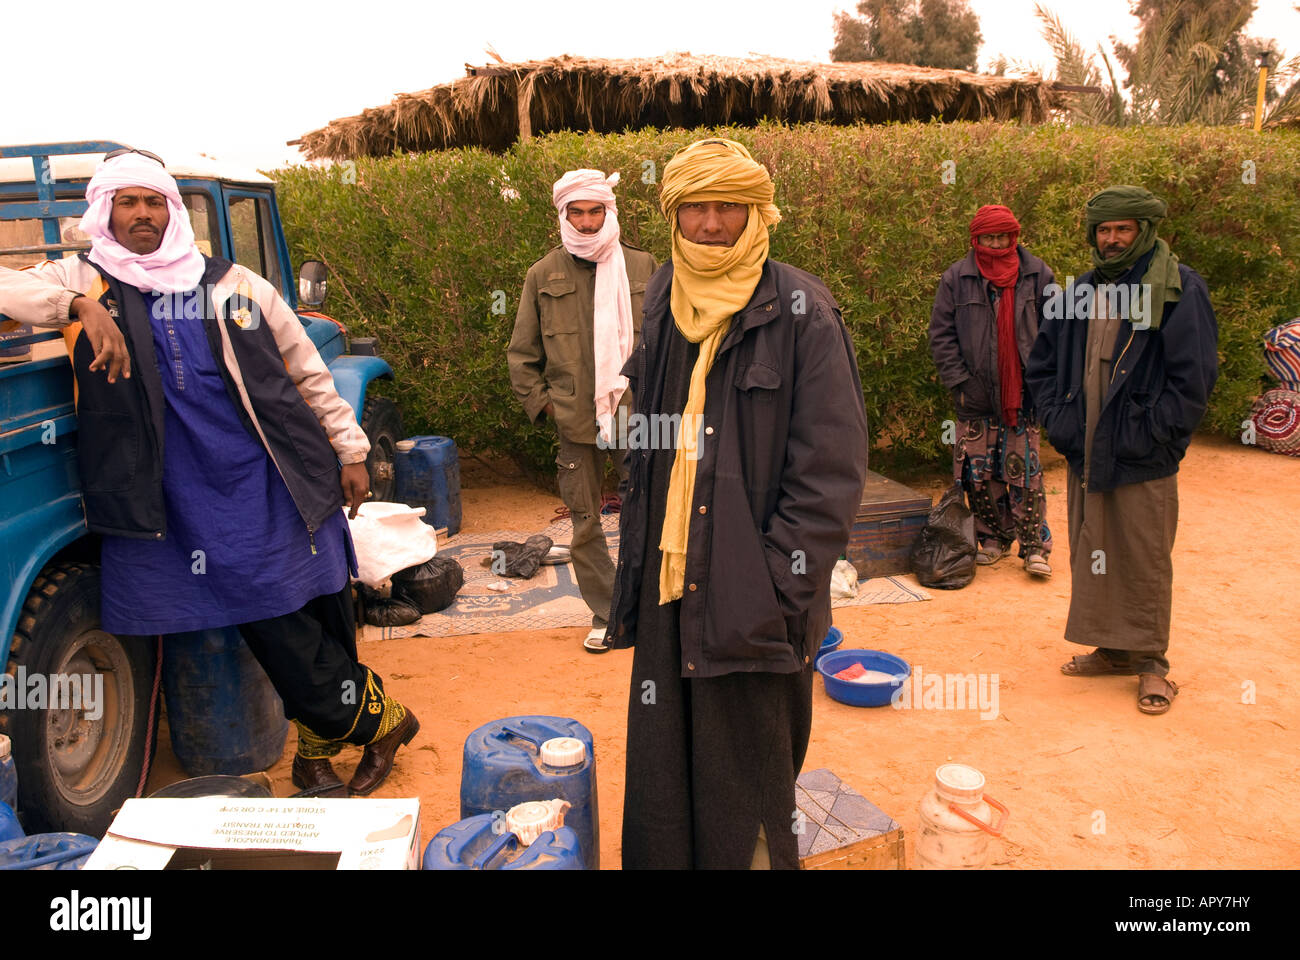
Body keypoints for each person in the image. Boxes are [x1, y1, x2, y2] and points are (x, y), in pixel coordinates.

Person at [0, 149, 417, 795]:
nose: (142, 214)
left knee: (314, 599)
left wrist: (351, 449)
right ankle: (379, 719)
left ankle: (316, 749)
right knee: (267, 610)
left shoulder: (232, 283)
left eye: (154, 201)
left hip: (270, 472)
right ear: (104, 210)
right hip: (174, 488)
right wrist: (78, 308)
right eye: (128, 201)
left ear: (173, 210)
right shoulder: (82, 277)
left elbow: (306, 370)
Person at [605, 139, 868, 868]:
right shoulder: (663, 296)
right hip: (670, 582)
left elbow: (831, 474)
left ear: (757, 214)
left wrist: (777, 590)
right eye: (697, 207)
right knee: (666, 768)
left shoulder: (803, 310)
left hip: (755, 599)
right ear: (675, 214)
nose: (712, 223)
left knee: (749, 783)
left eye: (729, 207)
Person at [1026, 185, 1218, 715]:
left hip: (1140, 450)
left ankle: (1152, 663)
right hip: (1087, 446)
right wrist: (1059, 421)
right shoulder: (1081, 290)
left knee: (1143, 552)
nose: (1110, 240)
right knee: (1094, 545)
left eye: (1122, 230)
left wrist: (1155, 431)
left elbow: (1194, 378)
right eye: (1103, 230)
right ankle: (1112, 651)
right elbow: (1043, 364)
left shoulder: (1178, 289)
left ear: (1144, 231)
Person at [508, 169, 658, 652]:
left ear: (609, 212)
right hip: (574, 419)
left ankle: (645, 608)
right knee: (584, 519)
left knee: (647, 510)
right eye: (579, 212)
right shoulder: (542, 274)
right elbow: (522, 353)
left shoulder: (643, 266)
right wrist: (546, 405)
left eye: (596, 211)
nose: (589, 222)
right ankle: (606, 611)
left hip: (636, 415)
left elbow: (666, 340)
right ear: (564, 214)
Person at [929, 204, 1056, 577]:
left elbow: (1053, 332)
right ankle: (993, 540)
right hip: (975, 395)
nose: (996, 243)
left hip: (1024, 394)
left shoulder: (1038, 275)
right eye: (989, 237)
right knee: (978, 475)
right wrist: (962, 383)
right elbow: (942, 336)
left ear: (1014, 236)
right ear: (976, 238)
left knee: (1026, 473)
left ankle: (1034, 547)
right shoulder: (957, 278)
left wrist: (1043, 380)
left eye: (1002, 236)